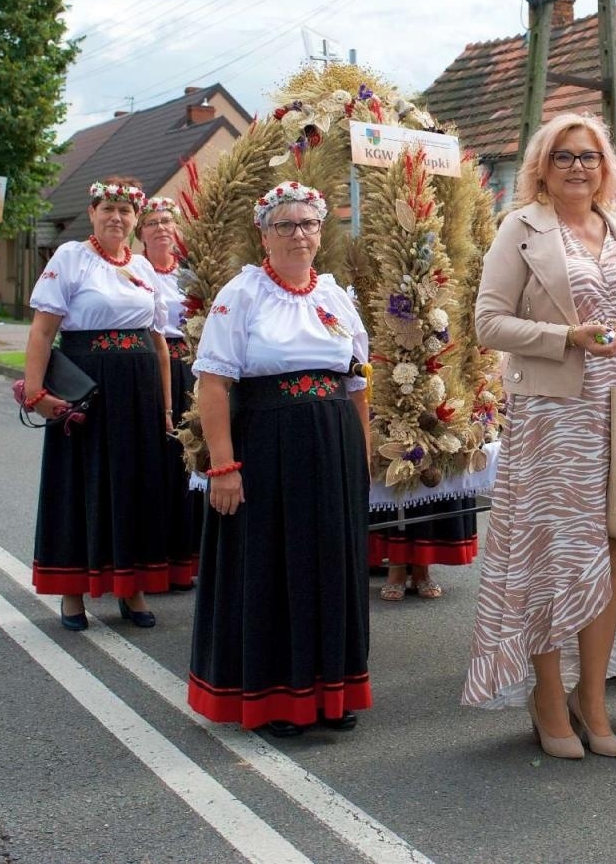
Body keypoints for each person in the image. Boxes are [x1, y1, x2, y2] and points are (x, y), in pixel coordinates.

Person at [464, 112, 616, 760]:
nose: (578, 166)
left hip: (615, 402)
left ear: (604, 164)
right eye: (564, 156)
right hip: (552, 411)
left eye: (588, 155)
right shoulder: (521, 227)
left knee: (610, 549)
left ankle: (595, 698)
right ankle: (548, 696)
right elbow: (487, 322)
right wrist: (565, 338)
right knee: (554, 555)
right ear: (542, 166)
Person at [189, 182, 375, 735]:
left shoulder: (336, 297)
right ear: (264, 234)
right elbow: (214, 384)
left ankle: (331, 691)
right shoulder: (240, 296)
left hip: (333, 444)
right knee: (273, 566)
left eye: (309, 224)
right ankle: (276, 699)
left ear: (321, 232)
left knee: (331, 565)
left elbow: (357, 382)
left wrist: (359, 458)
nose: (300, 234)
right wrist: (224, 466)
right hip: (269, 447)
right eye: (286, 225)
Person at [23, 177, 172, 631]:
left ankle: (133, 587)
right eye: (108, 208)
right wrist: (35, 393)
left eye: (126, 211)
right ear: (92, 212)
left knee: (135, 483)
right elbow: (43, 332)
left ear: (136, 220)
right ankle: (72, 592)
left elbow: (160, 343)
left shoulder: (144, 269)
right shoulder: (72, 258)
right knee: (80, 482)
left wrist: (165, 408)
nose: (116, 217)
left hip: (138, 388)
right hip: (86, 384)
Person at [139, 196, 201, 591]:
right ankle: (153, 558)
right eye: (153, 222)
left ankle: (189, 558)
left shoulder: (191, 271)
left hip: (191, 367)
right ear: (141, 233)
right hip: (153, 368)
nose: (162, 227)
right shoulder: (136, 270)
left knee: (193, 459)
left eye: (168, 220)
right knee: (158, 462)